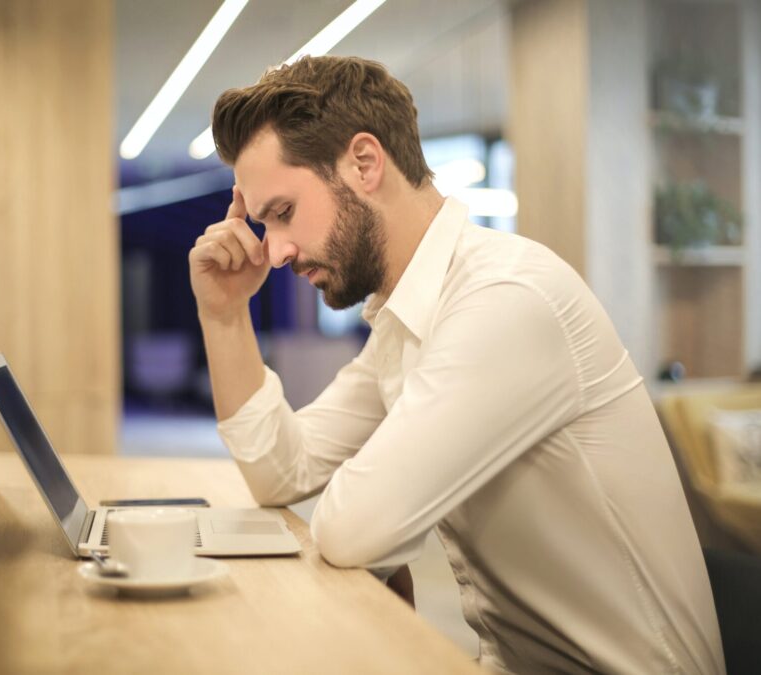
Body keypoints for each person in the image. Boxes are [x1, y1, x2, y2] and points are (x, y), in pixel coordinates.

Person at [187, 55, 724, 674]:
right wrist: (224, 316)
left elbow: (354, 528)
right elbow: (282, 471)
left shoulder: (506, 299)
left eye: (283, 212)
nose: (274, 250)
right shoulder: (406, 316)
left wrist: (376, 524)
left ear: (364, 163)